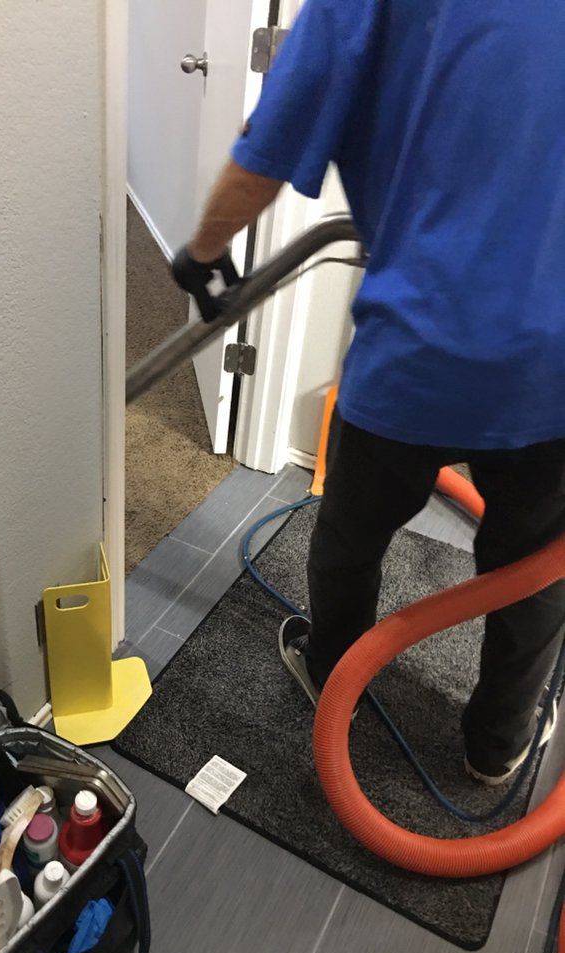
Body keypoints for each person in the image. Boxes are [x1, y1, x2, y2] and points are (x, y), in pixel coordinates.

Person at [171, 0, 565, 786]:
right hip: (552, 370)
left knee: (350, 536)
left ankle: (334, 671)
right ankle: (499, 741)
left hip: (415, 347)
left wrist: (202, 254)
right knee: (533, 567)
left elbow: (270, 145)